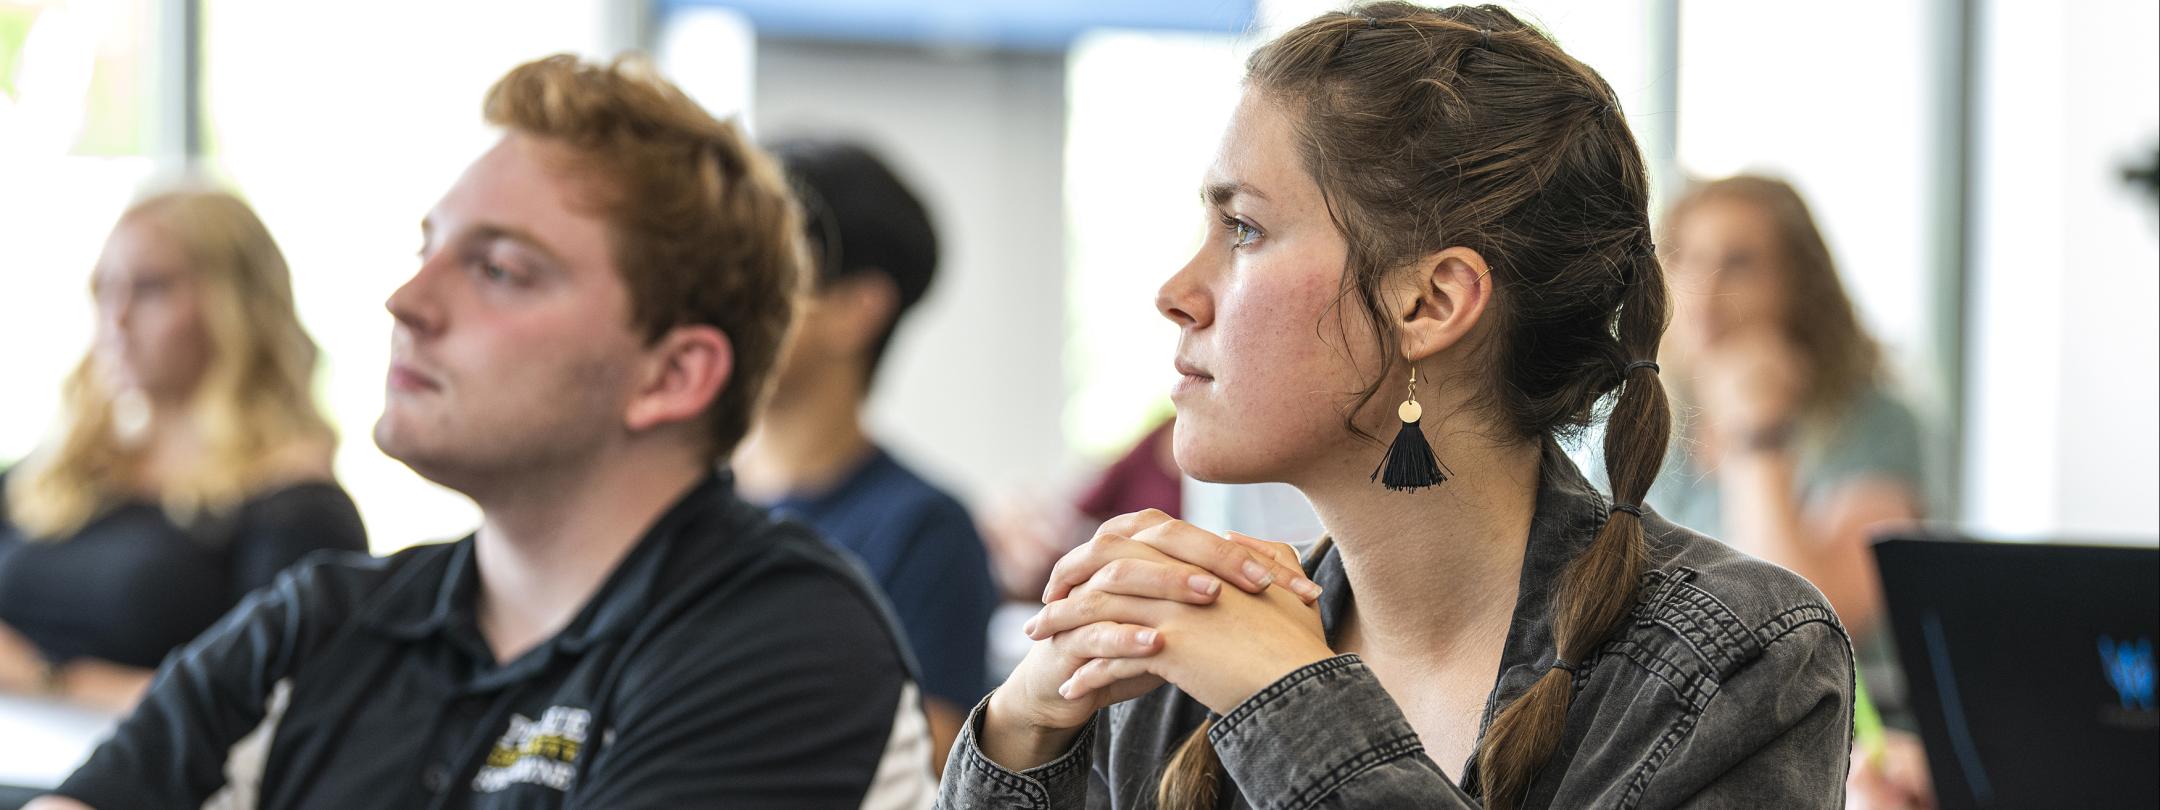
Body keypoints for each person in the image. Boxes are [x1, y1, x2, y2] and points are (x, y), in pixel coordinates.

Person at [938, 4, 1853, 809]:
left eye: (1245, 229)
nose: (1176, 290)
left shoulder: (1740, 659)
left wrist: (1292, 702)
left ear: (1429, 304)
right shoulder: (1173, 659)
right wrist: (1022, 734)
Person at [27, 54, 929, 810]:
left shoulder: (782, 640)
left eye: (499, 269)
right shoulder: (316, 626)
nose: (407, 301)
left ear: (672, 375)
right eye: (428, 250)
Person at [0, 189, 365, 716]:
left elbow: (276, 714)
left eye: (150, 289)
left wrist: (50, 680)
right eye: (105, 290)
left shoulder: (294, 510)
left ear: (236, 305)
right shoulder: (58, 474)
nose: (116, 320)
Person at [1655, 176, 1931, 807]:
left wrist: (1759, 436)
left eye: (1739, 263)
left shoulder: (1876, 421)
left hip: (1852, 754)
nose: (1704, 290)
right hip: (1686, 738)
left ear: (1798, 285)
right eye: (1686, 259)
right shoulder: (1655, 425)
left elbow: (1801, 628)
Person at [733, 136, 999, 774]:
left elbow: (934, 753)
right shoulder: (675, 500)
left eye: (763, 271)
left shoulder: (924, 529)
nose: (725, 298)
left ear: (857, 308)